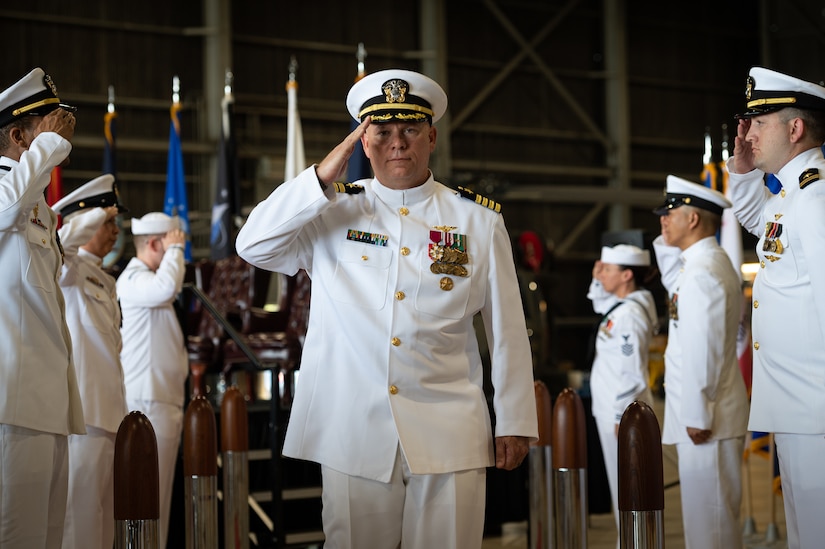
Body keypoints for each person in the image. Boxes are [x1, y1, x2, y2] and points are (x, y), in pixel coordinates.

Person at [236, 69, 538, 548]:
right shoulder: (331, 211)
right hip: (354, 429)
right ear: (363, 141)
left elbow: (507, 329)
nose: (398, 143)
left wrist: (515, 421)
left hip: (449, 429)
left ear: (431, 137)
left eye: (410, 130)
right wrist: (319, 176)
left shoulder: (477, 221)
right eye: (382, 132)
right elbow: (252, 245)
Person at [727, 66, 825, 549]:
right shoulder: (787, 197)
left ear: (795, 128)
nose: (748, 133)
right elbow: (752, 219)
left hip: (817, 410)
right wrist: (743, 170)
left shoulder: (816, 197)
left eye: (759, 123)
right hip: (796, 408)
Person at [0, 67, 85, 549]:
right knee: (19, 537)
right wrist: (48, 149)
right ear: (17, 135)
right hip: (11, 404)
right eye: (46, 122)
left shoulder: (32, 205)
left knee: (48, 539)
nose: (61, 127)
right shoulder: (10, 196)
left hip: (48, 402)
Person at [652, 175, 749, 549]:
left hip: (707, 420)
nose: (662, 220)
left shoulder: (703, 272)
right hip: (708, 417)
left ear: (692, 220)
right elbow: (668, 270)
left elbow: (702, 349)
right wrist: (668, 236)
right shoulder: (700, 264)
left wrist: (697, 414)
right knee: (705, 525)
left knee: (712, 529)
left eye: (670, 213)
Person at [51, 174, 128, 549]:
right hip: (85, 418)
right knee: (79, 524)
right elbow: (59, 247)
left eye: (114, 223)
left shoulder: (103, 278)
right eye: (107, 222)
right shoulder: (68, 271)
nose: (115, 231)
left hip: (109, 413)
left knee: (103, 523)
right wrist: (87, 218)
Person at [117, 212, 187, 548]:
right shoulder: (134, 280)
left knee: (157, 501)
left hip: (160, 399)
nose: (178, 252)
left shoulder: (147, 281)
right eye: (172, 245)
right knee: (148, 500)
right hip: (148, 402)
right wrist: (175, 254)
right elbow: (166, 287)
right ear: (156, 244)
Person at [587, 244, 657, 542]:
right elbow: (598, 302)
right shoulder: (624, 305)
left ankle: (630, 543)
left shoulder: (629, 315)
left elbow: (631, 370)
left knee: (628, 489)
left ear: (627, 275)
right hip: (613, 410)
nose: (602, 274)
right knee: (623, 489)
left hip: (621, 413)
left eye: (609, 269)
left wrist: (620, 414)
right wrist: (597, 277)